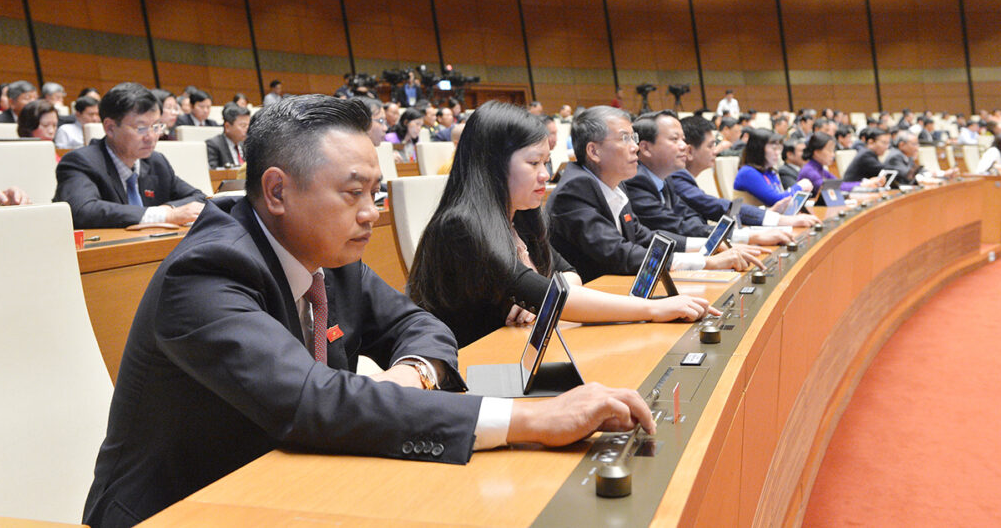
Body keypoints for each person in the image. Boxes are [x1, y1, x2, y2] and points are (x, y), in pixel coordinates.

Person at [82, 95, 655, 527]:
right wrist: (528, 420)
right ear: (277, 192)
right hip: (185, 508)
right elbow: (311, 402)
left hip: (299, 486)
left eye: (375, 192)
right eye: (352, 192)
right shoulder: (207, 271)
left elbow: (419, 323)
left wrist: (415, 373)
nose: (370, 213)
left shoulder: (328, 254)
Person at [408, 102, 718, 348]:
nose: (546, 174)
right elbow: (559, 297)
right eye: (533, 163)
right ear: (492, 165)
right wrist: (654, 309)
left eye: (545, 162)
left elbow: (568, 273)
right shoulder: (461, 227)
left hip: (516, 352)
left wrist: (543, 296)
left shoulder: (522, 215)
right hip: (474, 372)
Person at [546, 106, 763, 283]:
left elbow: (643, 236)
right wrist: (705, 262)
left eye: (633, 138)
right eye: (624, 138)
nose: (635, 147)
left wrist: (708, 246)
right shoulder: (574, 190)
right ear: (594, 151)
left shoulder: (614, 184)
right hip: (592, 300)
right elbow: (619, 253)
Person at [622, 111, 793, 246]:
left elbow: (689, 216)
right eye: (674, 139)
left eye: (683, 139)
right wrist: (744, 236)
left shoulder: (664, 179)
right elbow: (675, 226)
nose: (684, 146)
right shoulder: (637, 180)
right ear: (645, 148)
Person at [53, 82, 206, 229]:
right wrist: (163, 215)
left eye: (156, 126)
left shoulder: (156, 162)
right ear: (110, 128)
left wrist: (169, 209)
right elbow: (82, 210)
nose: (151, 137)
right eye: (141, 128)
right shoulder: (81, 162)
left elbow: (198, 197)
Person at [668, 116, 820, 230]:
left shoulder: (771, 171)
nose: (715, 151)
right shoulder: (748, 172)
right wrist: (777, 216)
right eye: (710, 146)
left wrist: (767, 214)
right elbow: (715, 207)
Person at [733, 129, 813, 206]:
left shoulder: (769, 171)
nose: (777, 153)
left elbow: (781, 195)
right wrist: (799, 187)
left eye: (779, 149)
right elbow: (777, 201)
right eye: (774, 148)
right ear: (759, 149)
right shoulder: (748, 173)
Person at [798, 131, 878, 195]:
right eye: (829, 150)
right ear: (817, 152)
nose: (833, 155)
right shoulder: (809, 170)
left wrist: (865, 183)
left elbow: (840, 183)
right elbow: (833, 188)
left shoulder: (819, 168)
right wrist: (864, 184)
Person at [205, 103, 250, 168]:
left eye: (248, 125)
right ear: (227, 126)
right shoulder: (213, 145)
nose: (247, 129)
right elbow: (213, 171)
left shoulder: (245, 145)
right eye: (243, 125)